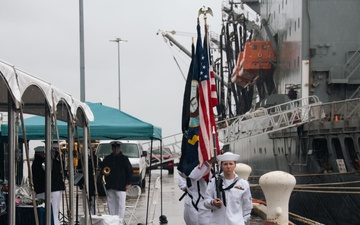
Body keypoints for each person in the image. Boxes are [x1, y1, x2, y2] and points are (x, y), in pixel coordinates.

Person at [204, 152, 253, 225]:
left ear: (235, 165)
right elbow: (206, 202)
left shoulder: (243, 184)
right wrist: (213, 202)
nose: (228, 167)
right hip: (217, 222)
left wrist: (243, 221)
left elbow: (247, 206)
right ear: (221, 165)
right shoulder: (214, 182)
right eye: (225, 164)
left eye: (231, 164)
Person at [100, 141, 133, 222]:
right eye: (114, 148)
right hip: (110, 183)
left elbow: (130, 171)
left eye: (117, 148)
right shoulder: (107, 158)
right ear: (112, 148)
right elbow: (103, 169)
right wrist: (103, 172)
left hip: (121, 185)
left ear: (119, 148)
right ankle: (112, 220)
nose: (115, 150)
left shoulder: (124, 159)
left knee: (121, 204)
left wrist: (129, 183)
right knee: (111, 203)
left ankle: (120, 221)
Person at [178, 157, 214, 225]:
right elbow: (182, 182)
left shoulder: (218, 170)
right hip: (192, 202)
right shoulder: (188, 169)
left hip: (209, 204)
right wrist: (189, 188)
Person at [51, 144, 66, 225]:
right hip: (54, 187)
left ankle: (56, 222)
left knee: (57, 207)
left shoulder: (59, 160)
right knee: (54, 207)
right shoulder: (52, 161)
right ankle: (55, 222)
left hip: (59, 186)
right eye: (56, 150)